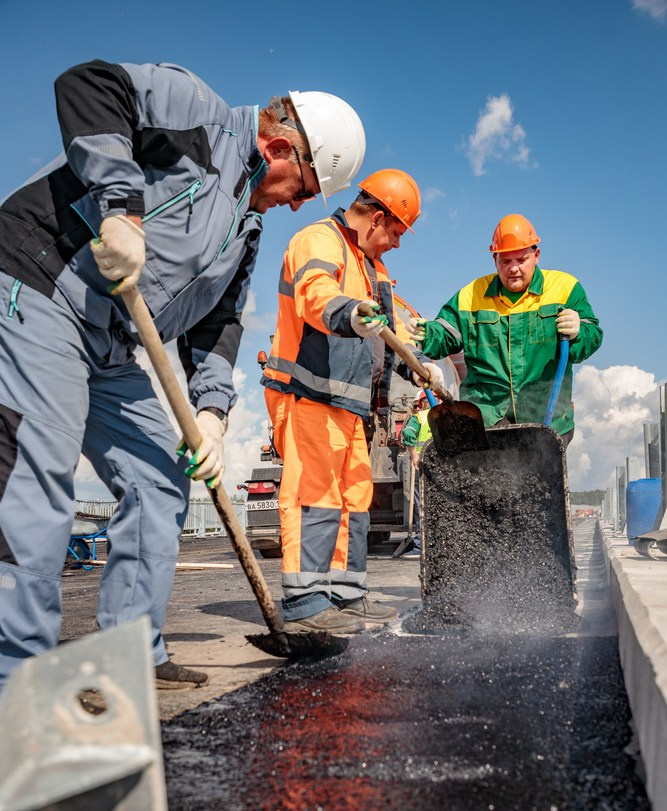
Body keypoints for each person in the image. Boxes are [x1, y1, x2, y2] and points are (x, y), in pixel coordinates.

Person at [0, 59, 366, 689]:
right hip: (43, 285)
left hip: (110, 342)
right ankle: (18, 681)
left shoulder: (246, 226)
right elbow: (89, 85)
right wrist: (120, 208)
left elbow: (220, 324)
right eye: (303, 191)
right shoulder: (200, 114)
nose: (295, 206)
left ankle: (128, 654)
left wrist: (212, 414)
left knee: (161, 478)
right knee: (39, 478)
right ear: (279, 148)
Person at [261, 169, 445, 635]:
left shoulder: (373, 269)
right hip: (307, 392)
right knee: (314, 497)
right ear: (378, 217)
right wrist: (350, 312)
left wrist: (423, 367)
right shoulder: (319, 240)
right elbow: (316, 294)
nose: (398, 245)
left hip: (348, 404)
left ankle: (345, 593)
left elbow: (393, 336)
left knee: (354, 499)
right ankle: (305, 601)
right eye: (398, 233)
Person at [407, 214, 603, 447]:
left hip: (546, 418)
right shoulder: (470, 296)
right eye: (505, 261)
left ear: (536, 255)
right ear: (494, 260)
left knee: (541, 478)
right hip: (488, 419)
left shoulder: (565, 288)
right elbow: (445, 334)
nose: (514, 269)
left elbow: (592, 336)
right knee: (492, 481)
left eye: (521, 259)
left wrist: (579, 331)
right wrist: (427, 333)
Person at [400, 389, 433, 558]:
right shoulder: (447, 415)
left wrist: (414, 456)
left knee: (422, 508)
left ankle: (421, 545)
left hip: (422, 468)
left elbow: (407, 433)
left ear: (420, 404)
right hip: (443, 469)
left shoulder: (419, 418)